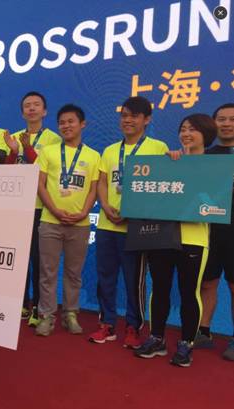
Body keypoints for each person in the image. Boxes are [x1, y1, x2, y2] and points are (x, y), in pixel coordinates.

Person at [135, 113, 214, 367]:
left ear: (206, 134)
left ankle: (186, 343)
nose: (186, 133)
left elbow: (213, 201)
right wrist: (168, 166)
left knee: (189, 292)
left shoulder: (216, 166)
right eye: (183, 129)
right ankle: (156, 338)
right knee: (159, 288)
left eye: (193, 129)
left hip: (194, 238)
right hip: (162, 235)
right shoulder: (168, 161)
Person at [89, 96, 168, 348]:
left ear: (147, 119)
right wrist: (105, 205)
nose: (127, 120)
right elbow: (103, 182)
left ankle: (133, 327)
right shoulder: (110, 150)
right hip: (107, 224)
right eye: (124, 115)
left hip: (136, 227)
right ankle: (107, 324)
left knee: (134, 281)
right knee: (105, 276)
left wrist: (131, 210)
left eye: (134, 115)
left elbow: (163, 183)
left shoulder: (157, 147)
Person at [35, 104, 100, 336]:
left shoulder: (93, 156)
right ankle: (46, 316)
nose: (66, 126)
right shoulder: (48, 152)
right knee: (48, 272)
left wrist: (84, 212)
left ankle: (70, 314)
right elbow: (40, 184)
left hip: (79, 224)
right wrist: (54, 209)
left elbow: (94, 189)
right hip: (50, 221)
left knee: (74, 273)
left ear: (82, 124)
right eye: (62, 122)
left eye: (71, 121)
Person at [3, 91, 61, 327]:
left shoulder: (54, 139)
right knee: (18, 259)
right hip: (17, 208)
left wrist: (28, 150)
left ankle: (38, 305)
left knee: (38, 260)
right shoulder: (14, 137)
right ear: (22, 112)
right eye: (27, 105)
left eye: (37, 105)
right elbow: (7, 173)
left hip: (40, 207)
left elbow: (46, 172)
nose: (32, 108)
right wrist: (13, 152)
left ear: (44, 111)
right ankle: (21, 303)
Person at [194, 103, 234, 361]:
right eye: (221, 119)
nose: (226, 124)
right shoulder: (204, 156)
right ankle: (203, 331)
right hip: (209, 230)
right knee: (207, 282)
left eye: (232, 119)